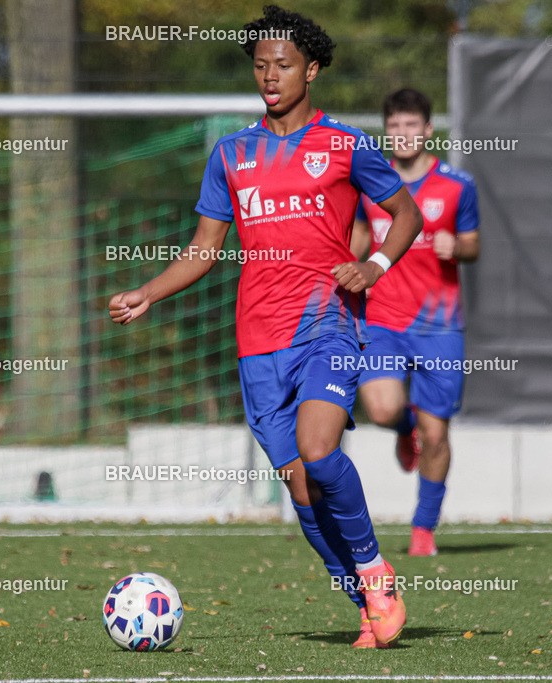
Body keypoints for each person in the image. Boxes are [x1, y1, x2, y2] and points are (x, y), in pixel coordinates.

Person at [108, 6, 423, 648]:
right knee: (303, 494)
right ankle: (366, 604)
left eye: (282, 65)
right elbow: (204, 247)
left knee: (318, 448)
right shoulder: (232, 154)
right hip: (257, 342)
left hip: (325, 325)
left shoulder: (346, 146)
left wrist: (374, 264)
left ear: (311, 69)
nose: (270, 76)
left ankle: (375, 570)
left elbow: (407, 214)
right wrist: (148, 291)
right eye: (260, 65)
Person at [351, 88, 481, 557]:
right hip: (382, 318)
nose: (402, 134)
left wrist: (456, 245)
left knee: (437, 433)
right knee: (383, 409)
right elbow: (360, 237)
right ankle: (404, 429)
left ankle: (423, 530)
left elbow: (473, 244)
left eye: (411, 126)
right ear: (386, 131)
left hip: (438, 326)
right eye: (394, 126)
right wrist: (350, 270)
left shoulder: (456, 185)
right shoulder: (373, 181)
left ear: (428, 130)